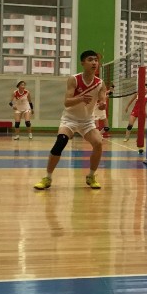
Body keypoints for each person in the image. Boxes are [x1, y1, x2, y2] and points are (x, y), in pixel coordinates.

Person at [34, 50, 110, 190]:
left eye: (96, 60)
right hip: (70, 119)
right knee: (60, 142)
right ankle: (47, 178)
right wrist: (81, 98)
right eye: (90, 60)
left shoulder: (100, 83)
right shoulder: (74, 79)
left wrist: (102, 103)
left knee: (98, 143)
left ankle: (91, 176)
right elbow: (67, 102)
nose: (94, 62)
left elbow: (102, 98)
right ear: (83, 63)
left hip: (87, 121)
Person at [124, 86, 147, 154]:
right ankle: (126, 137)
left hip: (142, 112)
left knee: (141, 127)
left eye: (146, 88)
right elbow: (131, 101)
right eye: (144, 87)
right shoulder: (137, 94)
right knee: (130, 125)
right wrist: (127, 107)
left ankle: (139, 139)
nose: (145, 89)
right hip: (135, 111)